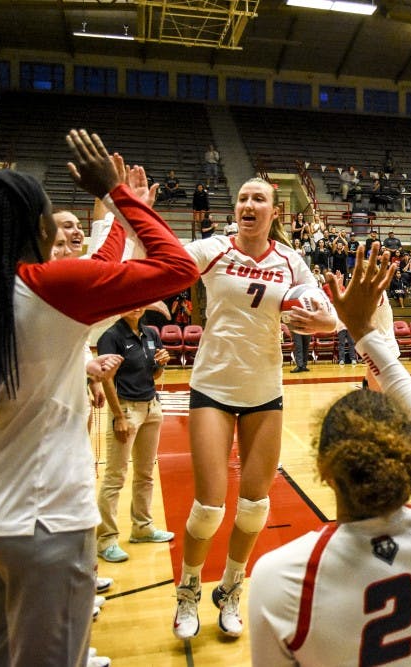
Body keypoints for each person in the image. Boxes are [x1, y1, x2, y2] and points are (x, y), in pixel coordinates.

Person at [0, 132, 199, 666]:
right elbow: (178, 269)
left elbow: (94, 274)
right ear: (36, 228)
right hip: (44, 521)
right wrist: (120, 199)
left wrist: (117, 221)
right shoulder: (45, 287)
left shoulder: (18, 290)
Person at [249, 244, 411, 665]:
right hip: (374, 353)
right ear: (405, 463)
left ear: (326, 472)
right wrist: (349, 325)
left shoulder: (278, 574)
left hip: (377, 353)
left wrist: (337, 322)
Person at [172, 177, 337, 641]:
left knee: (254, 506)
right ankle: (187, 590)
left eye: (258, 199)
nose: (248, 204)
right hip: (213, 387)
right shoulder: (215, 249)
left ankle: (230, 587)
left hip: (265, 390)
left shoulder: (290, 261)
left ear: (274, 212)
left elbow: (326, 314)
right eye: (243, 198)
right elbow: (172, 262)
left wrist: (325, 321)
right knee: (208, 507)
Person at [96, 306, 175, 563]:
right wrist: (118, 416)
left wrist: (161, 364)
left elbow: (153, 374)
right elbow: (107, 379)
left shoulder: (151, 333)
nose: (137, 307)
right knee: (115, 477)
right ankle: (106, 539)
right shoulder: (111, 337)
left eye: (141, 303)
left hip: (152, 406)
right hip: (126, 409)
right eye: (131, 303)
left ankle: (142, 527)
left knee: (145, 473)